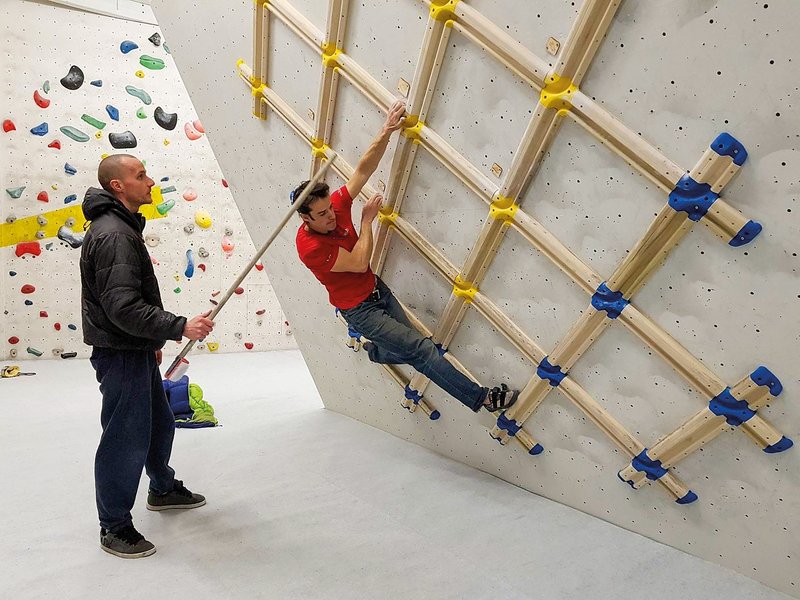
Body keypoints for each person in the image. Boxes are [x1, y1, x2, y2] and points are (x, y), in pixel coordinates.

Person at [293, 101, 519, 413]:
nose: (331, 215)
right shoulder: (310, 248)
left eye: (330, 208)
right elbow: (358, 263)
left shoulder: (331, 207)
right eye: (322, 214)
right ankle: (482, 399)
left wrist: (386, 131)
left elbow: (362, 169)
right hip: (360, 311)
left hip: (376, 291)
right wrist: (367, 221)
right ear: (306, 219)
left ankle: (377, 352)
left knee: (411, 348)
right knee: (423, 350)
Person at [80, 154, 215, 559]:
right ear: (118, 186)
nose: (150, 181)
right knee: (125, 438)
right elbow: (121, 306)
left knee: (158, 423)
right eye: (140, 176)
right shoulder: (115, 235)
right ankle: (114, 526)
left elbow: (125, 303)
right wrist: (178, 327)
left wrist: (151, 340)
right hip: (119, 353)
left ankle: (161, 487)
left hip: (132, 347)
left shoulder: (122, 227)